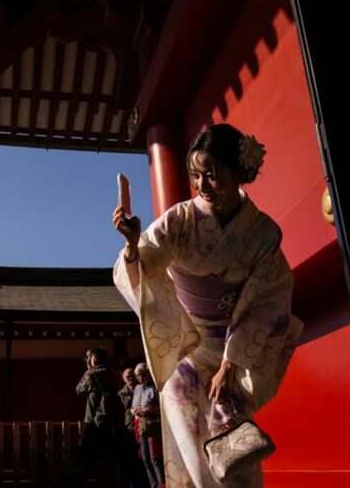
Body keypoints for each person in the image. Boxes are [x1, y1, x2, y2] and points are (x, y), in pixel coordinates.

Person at [112, 123, 303, 487]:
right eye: (195, 175)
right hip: (190, 349)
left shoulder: (262, 234)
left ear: (238, 172)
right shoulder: (180, 220)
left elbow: (268, 300)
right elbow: (145, 265)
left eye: (212, 175)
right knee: (193, 456)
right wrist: (134, 244)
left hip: (233, 355)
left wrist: (231, 362)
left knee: (237, 455)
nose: (202, 185)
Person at [66, 348, 125, 487]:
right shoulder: (114, 373)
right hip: (113, 423)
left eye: (90, 357)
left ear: (95, 359)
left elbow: (79, 389)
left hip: (95, 423)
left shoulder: (92, 374)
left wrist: (88, 369)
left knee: (81, 461)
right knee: (116, 460)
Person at [131, 363, 164, 488]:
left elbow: (161, 407)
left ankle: (162, 485)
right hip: (141, 425)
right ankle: (153, 484)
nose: (141, 378)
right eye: (138, 375)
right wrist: (134, 410)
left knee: (155, 457)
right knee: (145, 458)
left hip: (153, 424)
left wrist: (147, 411)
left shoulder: (154, 387)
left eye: (143, 374)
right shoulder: (138, 388)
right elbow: (134, 406)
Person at [119, 367, 148, 488]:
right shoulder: (121, 394)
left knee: (144, 459)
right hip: (129, 429)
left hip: (143, 428)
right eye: (127, 377)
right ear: (124, 379)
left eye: (132, 376)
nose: (130, 378)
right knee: (130, 460)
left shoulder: (142, 389)